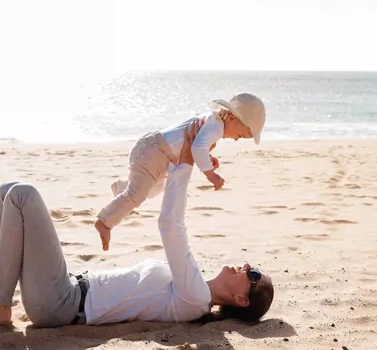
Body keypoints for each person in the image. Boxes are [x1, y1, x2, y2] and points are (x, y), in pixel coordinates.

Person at [0, 120, 273, 330]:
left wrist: (186, 164)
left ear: (242, 300)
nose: (246, 266)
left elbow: (171, 224)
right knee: (8, 192)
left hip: (63, 304)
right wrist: (177, 159)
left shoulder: (196, 298)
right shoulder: (194, 284)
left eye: (253, 274)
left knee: (22, 195)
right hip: (67, 289)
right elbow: (165, 204)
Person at [95, 93, 266, 250]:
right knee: (138, 195)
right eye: (241, 135)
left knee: (153, 190)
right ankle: (105, 222)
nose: (236, 139)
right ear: (231, 117)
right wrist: (211, 175)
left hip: (157, 153)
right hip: (154, 153)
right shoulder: (217, 128)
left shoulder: (213, 122)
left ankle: (122, 189)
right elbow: (198, 147)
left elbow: (197, 145)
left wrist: (207, 156)